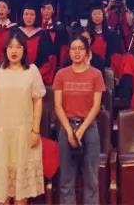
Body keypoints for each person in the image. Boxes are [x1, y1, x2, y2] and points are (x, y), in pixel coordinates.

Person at [0, 31, 46, 205]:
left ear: (24, 50)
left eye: (18, 47)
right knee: (1, 190)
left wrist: (35, 130)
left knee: (20, 193)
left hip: (24, 134)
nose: (14, 51)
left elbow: (38, 101)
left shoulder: (32, 71)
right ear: (5, 50)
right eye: (10, 47)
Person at [53, 35, 105, 205]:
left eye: (81, 49)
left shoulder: (96, 74)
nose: (77, 52)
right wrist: (70, 132)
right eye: (73, 49)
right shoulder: (61, 74)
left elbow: (96, 106)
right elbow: (57, 106)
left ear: (87, 52)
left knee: (91, 179)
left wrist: (81, 130)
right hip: (66, 127)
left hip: (89, 128)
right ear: (69, 52)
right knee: (66, 180)